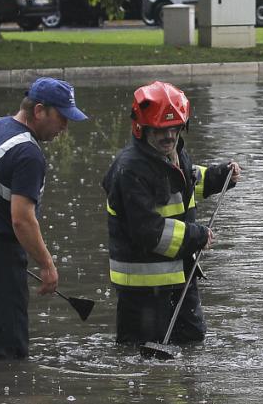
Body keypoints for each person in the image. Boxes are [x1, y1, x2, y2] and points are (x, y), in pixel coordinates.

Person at [0, 77, 88, 358]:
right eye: (61, 118)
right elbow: (22, 220)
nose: (65, 127)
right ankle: (7, 401)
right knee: (8, 356)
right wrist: (47, 266)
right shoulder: (28, 153)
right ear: (39, 111)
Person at [101, 81, 241, 347]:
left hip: (178, 277)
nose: (169, 137)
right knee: (141, 359)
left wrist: (217, 177)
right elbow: (148, 231)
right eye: (161, 131)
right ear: (141, 129)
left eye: (174, 129)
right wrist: (196, 236)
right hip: (143, 289)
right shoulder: (130, 170)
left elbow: (185, 183)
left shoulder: (170, 153)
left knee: (192, 343)